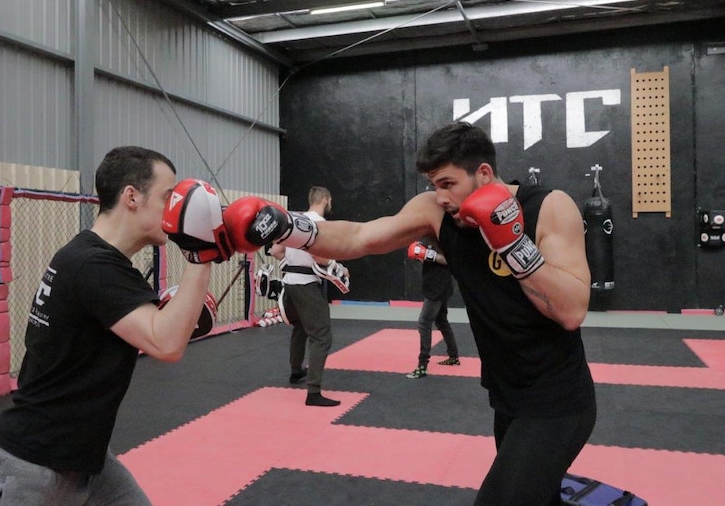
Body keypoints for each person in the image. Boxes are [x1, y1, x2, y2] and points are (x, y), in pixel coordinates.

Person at [224, 122, 597, 506]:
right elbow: (358, 237)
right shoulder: (434, 211)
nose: (440, 196)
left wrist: (513, 244)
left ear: (483, 173)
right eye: (433, 184)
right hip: (506, 395)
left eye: (448, 183)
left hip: (559, 400)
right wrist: (289, 227)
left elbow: (571, 311)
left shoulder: (549, 207)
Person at [0, 146, 232, 506]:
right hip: (26, 465)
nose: (173, 210)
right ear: (131, 197)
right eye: (167, 197)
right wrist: (201, 253)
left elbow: (163, 330)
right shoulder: (92, 266)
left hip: (80, 457)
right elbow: (166, 343)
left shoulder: (94, 259)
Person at [268, 186, 348, 407]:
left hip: (289, 284)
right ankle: (313, 392)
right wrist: (336, 267)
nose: (330, 204)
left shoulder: (293, 221)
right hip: (306, 284)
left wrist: (293, 261)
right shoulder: (319, 224)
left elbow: (275, 252)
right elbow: (317, 254)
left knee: (301, 327)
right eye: (330, 200)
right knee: (321, 335)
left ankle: (296, 371)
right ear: (324, 199)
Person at [405, 238, 459, 378]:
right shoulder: (428, 236)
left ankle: (422, 366)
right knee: (441, 321)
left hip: (438, 287)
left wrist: (429, 255)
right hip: (435, 284)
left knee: (424, 323)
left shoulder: (443, 237)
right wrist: (422, 256)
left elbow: (450, 260)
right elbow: (423, 255)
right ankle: (453, 356)